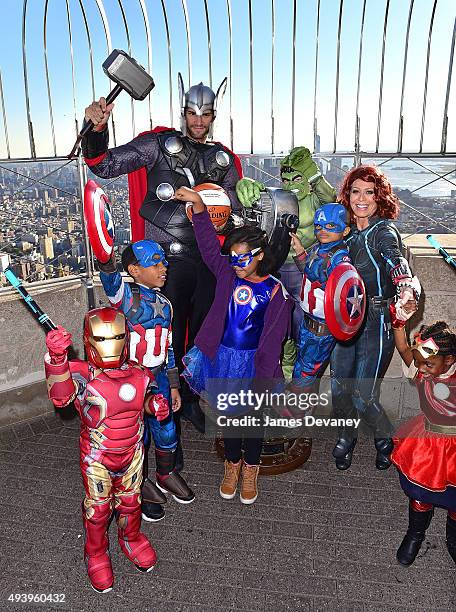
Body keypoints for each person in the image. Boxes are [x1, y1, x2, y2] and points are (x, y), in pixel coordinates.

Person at [82, 77, 243, 434]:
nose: (198, 121)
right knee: (159, 335)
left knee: (200, 335)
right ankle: (152, 402)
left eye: (205, 114)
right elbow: (103, 164)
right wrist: (96, 126)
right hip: (164, 264)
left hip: (207, 260)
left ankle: (187, 397)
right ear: (183, 112)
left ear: (214, 115)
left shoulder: (224, 159)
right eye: (192, 113)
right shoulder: (158, 145)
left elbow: (235, 207)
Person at [173, 185, 292, 505]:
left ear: (261, 255)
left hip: (254, 365)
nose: (237, 260)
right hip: (223, 360)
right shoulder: (227, 273)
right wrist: (199, 207)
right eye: (234, 255)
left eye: (244, 256)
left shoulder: (275, 292)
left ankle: (250, 470)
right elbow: (210, 246)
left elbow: (273, 342)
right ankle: (231, 466)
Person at [44, 308, 168, 593]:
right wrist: (58, 359)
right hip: (98, 456)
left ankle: (131, 538)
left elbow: (145, 399)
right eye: (101, 338)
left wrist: (155, 406)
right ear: (89, 340)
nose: (109, 345)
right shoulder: (83, 374)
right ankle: (96, 553)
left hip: (132, 451)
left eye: (117, 337)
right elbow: (62, 398)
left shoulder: (139, 371)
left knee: (131, 502)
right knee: (98, 510)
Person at [330, 165, 420, 470]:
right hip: (345, 319)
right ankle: (347, 437)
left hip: (377, 321)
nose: (362, 198)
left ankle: (385, 440)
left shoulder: (383, 230)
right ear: (347, 194)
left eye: (369, 191)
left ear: (379, 196)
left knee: (363, 396)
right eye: (356, 190)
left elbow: (394, 258)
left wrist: (405, 285)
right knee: (340, 389)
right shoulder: (344, 231)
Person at [98, 239, 195, 524]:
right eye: (155, 262)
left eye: (163, 261)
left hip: (159, 378)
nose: (163, 267)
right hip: (131, 382)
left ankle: (165, 473)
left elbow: (168, 346)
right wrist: (105, 255)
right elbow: (111, 282)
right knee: (135, 436)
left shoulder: (165, 303)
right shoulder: (128, 299)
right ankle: (135, 484)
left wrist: (174, 383)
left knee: (165, 430)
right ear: (135, 270)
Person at [236, 147, 337, 378]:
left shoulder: (315, 201)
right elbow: (254, 200)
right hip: (276, 267)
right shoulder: (278, 197)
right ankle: (283, 372)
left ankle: (300, 378)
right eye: (286, 178)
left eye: (297, 177)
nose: (291, 183)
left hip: (305, 269)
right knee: (276, 324)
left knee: (304, 325)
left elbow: (331, 200)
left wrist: (312, 174)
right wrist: (245, 184)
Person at [391, 320, 456, 566]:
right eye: (419, 362)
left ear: (449, 360)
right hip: (428, 444)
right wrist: (398, 323)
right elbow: (405, 349)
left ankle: (453, 536)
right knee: (421, 492)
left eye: (428, 363)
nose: (421, 368)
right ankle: (415, 533)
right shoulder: (422, 368)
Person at [289, 203, 351, 391]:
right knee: (302, 370)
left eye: (331, 226)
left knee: (304, 375)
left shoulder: (339, 259)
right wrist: (300, 252)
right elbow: (309, 272)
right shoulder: (319, 248)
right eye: (319, 226)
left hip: (321, 328)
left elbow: (343, 291)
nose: (323, 230)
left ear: (345, 230)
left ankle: (296, 413)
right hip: (308, 322)